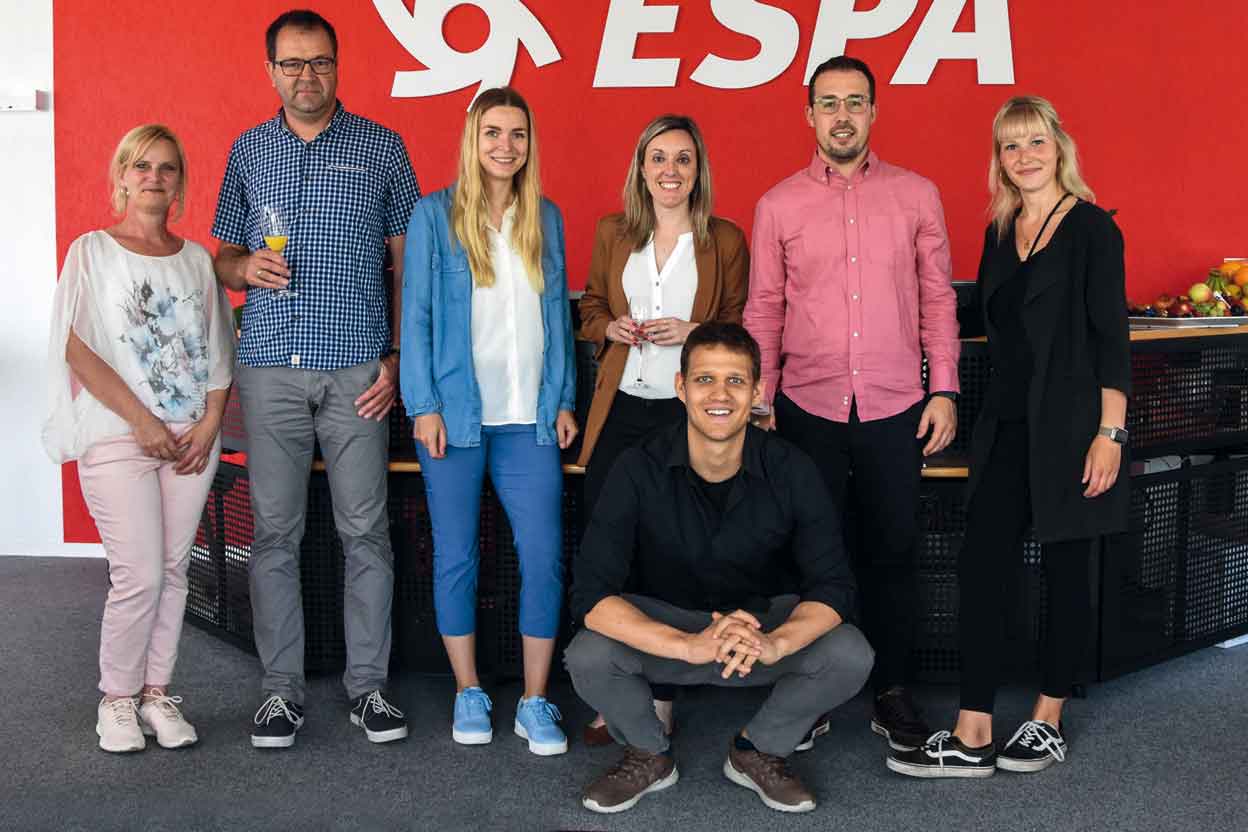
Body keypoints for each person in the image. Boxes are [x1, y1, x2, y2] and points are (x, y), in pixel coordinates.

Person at [888, 96, 1129, 778]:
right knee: (982, 566)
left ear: (1060, 147)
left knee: (1066, 570)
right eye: (1011, 146)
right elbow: (987, 318)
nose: (1024, 156)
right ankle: (974, 729)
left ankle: (1048, 719)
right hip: (1005, 423)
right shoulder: (1000, 229)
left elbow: (1112, 339)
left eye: (1035, 141)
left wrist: (1110, 433)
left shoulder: (1091, 228)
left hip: (1075, 428)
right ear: (999, 159)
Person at [211, 9, 420, 749]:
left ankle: (369, 690)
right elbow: (221, 258)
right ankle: (281, 692)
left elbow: (410, 264)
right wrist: (243, 266)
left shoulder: (382, 146)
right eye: (293, 63)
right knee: (275, 535)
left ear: (338, 65)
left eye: (320, 61)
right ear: (271, 71)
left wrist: (398, 357)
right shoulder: (248, 149)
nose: (308, 75)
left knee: (366, 532)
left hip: (359, 368)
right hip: (269, 366)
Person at [566, 322, 873, 814]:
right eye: (705, 379)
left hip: (759, 633)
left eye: (735, 381)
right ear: (681, 387)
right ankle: (649, 752)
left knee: (850, 653)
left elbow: (834, 586)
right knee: (589, 654)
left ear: (757, 391)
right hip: (670, 633)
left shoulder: (792, 469)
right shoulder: (637, 466)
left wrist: (777, 643)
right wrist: (688, 645)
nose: (720, 395)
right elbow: (590, 595)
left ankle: (758, 749)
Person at [744, 55, 960, 751]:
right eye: (830, 103)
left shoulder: (917, 196)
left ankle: (891, 691)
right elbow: (764, 309)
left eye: (855, 102)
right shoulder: (777, 205)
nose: (843, 116)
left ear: (874, 112)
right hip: (805, 408)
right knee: (810, 554)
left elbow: (937, 300)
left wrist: (944, 388)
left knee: (894, 552)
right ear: (809, 115)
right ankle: (809, 694)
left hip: (897, 406)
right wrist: (761, 398)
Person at [44, 124, 235, 753]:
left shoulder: (196, 259)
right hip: (119, 435)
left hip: (191, 440)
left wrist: (210, 423)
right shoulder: (92, 252)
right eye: (142, 166)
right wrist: (142, 421)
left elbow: (218, 350)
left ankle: (157, 694)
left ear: (180, 183)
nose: (154, 177)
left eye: (167, 168)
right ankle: (117, 700)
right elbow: (76, 347)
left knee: (176, 571)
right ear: (122, 177)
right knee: (140, 575)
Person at [400, 86, 577, 756]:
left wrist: (563, 398)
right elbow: (416, 316)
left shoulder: (546, 217)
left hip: (529, 420)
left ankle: (534, 700)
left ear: (530, 144)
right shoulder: (433, 214)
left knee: (544, 558)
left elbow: (556, 320)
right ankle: (467, 689)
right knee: (457, 557)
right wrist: (423, 405)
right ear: (473, 141)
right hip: (456, 419)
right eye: (493, 133)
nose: (506, 146)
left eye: (518, 134)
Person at [576, 113, 749, 745]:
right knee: (609, 548)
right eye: (658, 158)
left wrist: (693, 334)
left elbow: (739, 328)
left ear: (698, 170)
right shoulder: (613, 232)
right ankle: (613, 690)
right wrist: (611, 327)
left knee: (673, 554)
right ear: (641, 169)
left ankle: (665, 697)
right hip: (621, 408)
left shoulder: (724, 239)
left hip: (687, 416)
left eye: (682, 159)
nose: (670, 170)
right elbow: (591, 306)